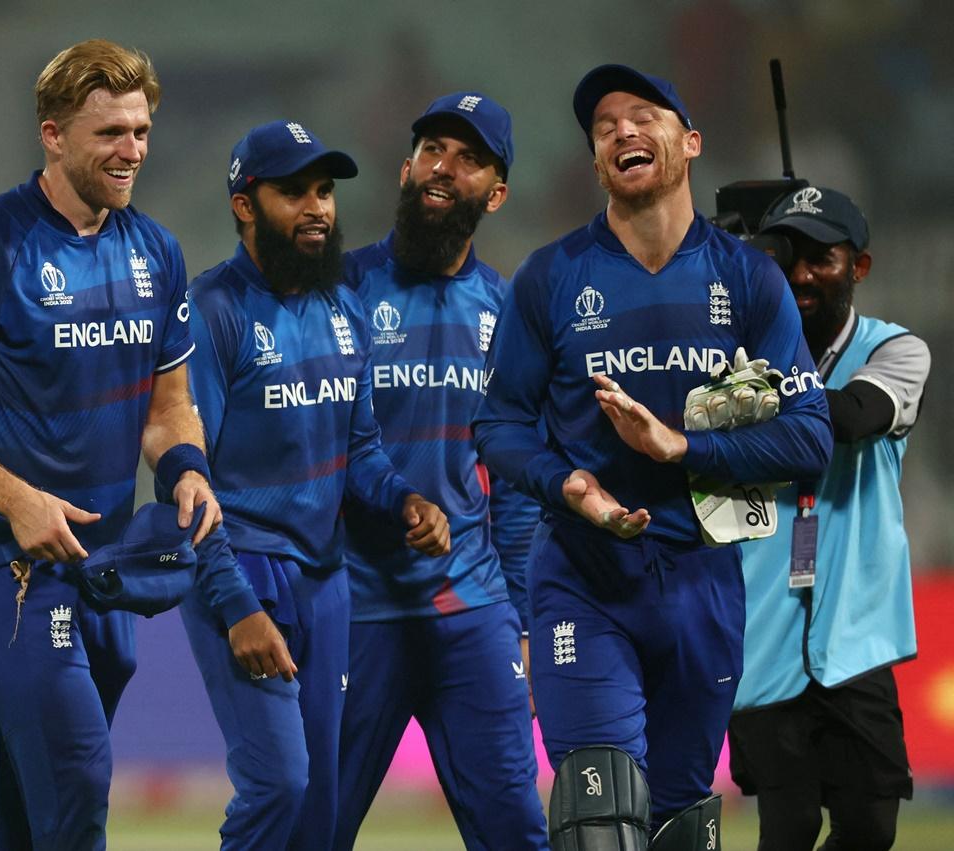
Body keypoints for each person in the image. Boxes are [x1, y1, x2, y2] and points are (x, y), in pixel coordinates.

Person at [0, 39, 284, 850]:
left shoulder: (156, 251)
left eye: (140, 130)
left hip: (108, 568)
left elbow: (169, 406)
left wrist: (187, 470)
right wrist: (17, 499)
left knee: (25, 815)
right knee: (75, 775)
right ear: (53, 134)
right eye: (109, 132)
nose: (131, 149)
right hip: (7, 563)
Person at [472, 64, 833, 846]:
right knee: (598, 822)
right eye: (604, 127)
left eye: (643, 116)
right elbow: (498, 425)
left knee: (680, 822)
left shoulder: (748, 280)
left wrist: (683, 446)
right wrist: (567, 484)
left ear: (690, 142)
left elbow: (811, 435)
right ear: (598, 160)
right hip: (583, 576)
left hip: (704, 583)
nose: (622, 131)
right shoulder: (551, 276)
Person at [179, 119, 451, 850]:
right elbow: (184, 480)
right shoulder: (212, 313)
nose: (318, 208)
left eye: (325, 191)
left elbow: (361, 450)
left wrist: (404, 499)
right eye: (293, 191)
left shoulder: (343, 307)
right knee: (280, 784)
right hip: (243, 568)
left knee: (321, 811)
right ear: (244, 204)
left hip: (327, 583)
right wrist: (236, 605)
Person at [334, 92, 547, 850]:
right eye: (431, 148)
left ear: (496, 192)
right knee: (308, 829)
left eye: (468, 158)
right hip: (355, 606)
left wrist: (521, 618)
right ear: (405, 166)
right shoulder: (339, 294)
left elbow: (517, 486)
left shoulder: (508, 311)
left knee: (518, 832)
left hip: (473, 609)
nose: (442, 167)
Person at [728, 187, 930, 851]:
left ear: (859, 267)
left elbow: (849, 419)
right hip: (763, 634)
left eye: (824, 258)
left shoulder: (896, 350)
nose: (804, 274)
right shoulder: (736, 351)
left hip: (855, 639)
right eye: (789, 257)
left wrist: (763, 375)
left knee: (870, 827)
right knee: (787, 828)